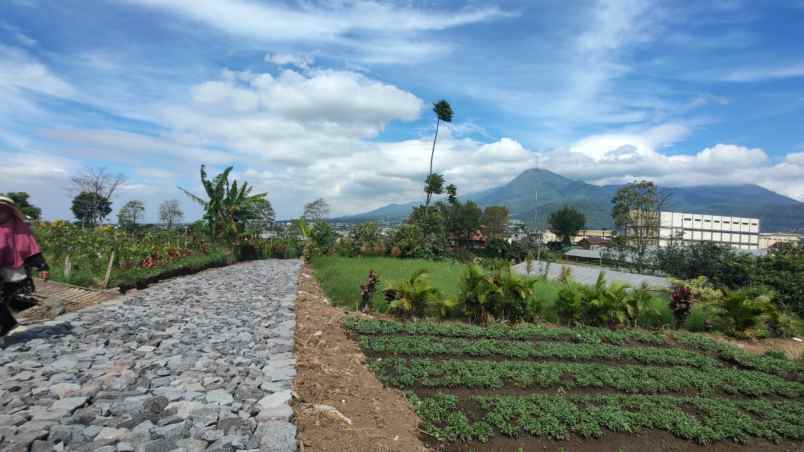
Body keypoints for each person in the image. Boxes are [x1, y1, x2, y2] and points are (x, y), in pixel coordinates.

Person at [0, 196, 48, 336]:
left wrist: (42, 267)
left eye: (3, 211)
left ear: (9, 212)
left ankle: (8, 325)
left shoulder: (19, 229)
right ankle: (9, 324)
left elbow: (31, 249)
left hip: (12, 270)